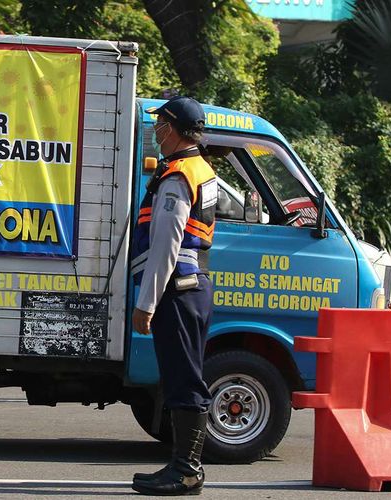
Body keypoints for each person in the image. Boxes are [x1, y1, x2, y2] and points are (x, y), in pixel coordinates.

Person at [130, 96, 217, 496]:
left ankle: (186, 471)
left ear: (176, 127)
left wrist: (146, 303)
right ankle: (183, 468)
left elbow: (167, 244)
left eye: (160, 123)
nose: (156, 130)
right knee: (183, 376)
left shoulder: (180, 175)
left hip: (177, 291)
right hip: (189, 287)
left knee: (184, 380)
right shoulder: (199, 169)